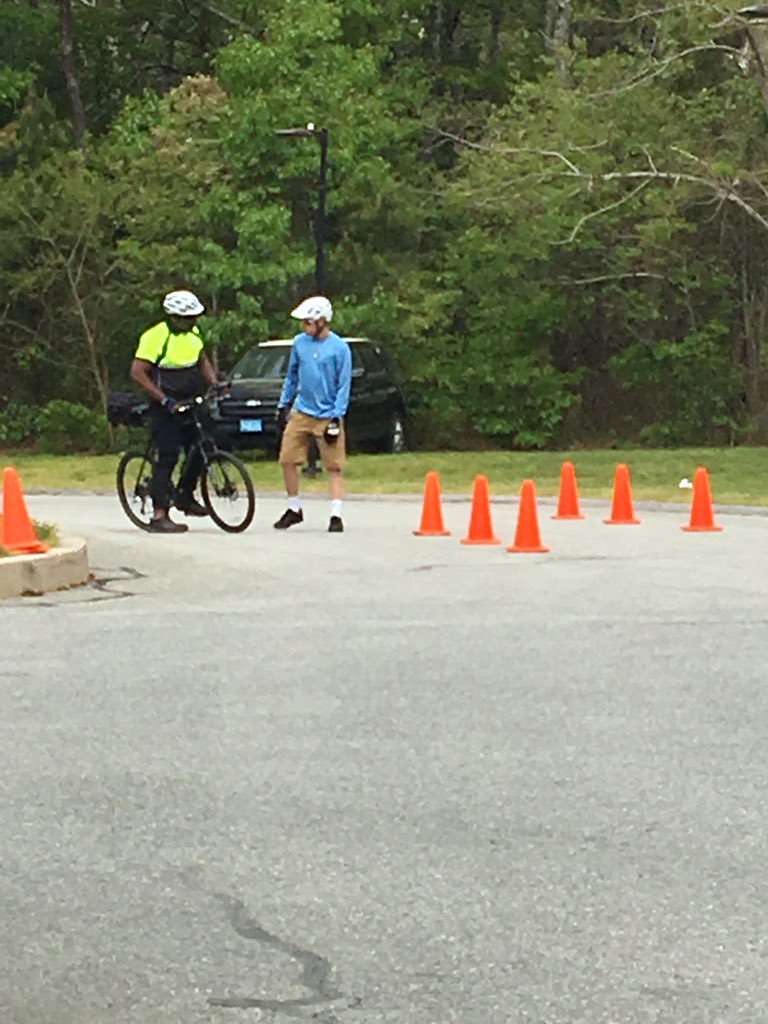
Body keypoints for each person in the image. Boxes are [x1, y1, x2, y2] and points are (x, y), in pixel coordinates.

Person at [130, 289, 219, 533]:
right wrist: (165, 400)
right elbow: (138, 372)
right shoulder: (156, 336)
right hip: (164, 404)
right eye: (188, 318)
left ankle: (185, 496)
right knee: (168, 455)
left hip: (189, 398)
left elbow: (202, 360)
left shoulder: (194, 334)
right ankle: (159, 514)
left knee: (204, 445)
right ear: (174, 317)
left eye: (195, 317)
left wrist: (215, 382)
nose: (193, 322)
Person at [274, 295, 352, 533]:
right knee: (287, 459)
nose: (304, 326)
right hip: (302, 410)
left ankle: (336, 514)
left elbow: (343, 384)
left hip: (328, 414)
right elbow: (292, 376)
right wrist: (283, 404)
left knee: (334, 466)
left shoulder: (339, 348)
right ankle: (294, 508)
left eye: (308, 321)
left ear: (321, 321)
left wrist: (337, 416)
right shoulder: (300, 343)